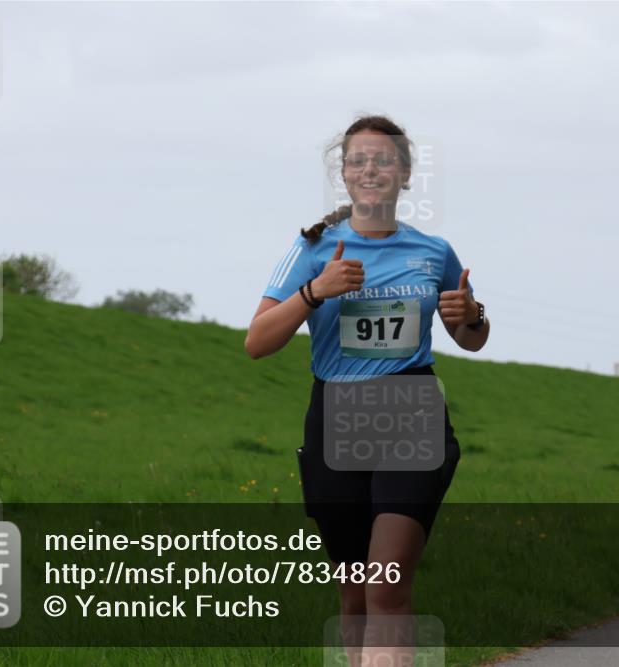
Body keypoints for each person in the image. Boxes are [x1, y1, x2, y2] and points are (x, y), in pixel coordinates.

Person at [245, 115, 489, 665]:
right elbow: (257, 342)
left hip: (410, 410)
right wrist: (315, 291)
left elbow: (469, 337)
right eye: (359, 160)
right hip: (337, 415)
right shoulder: (312, 248)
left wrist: (472, 314)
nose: (371, 168)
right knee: (355, 595)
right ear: (345, 174)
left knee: (386, 583)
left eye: (384, 159)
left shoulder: (433, 251)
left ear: (405, 173)